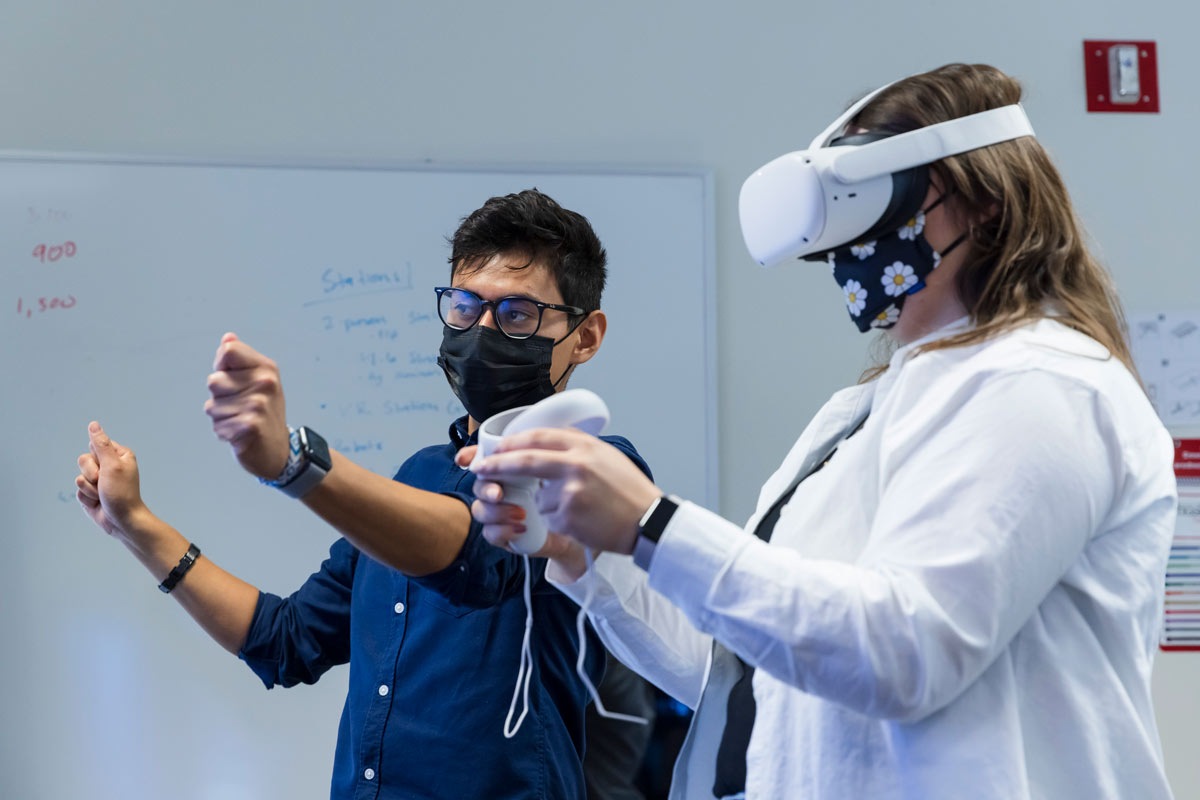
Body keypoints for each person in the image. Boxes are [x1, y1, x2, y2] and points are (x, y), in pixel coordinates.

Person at [467, 64, 1178, 799]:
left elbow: (907, 653)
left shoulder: (1040, 385)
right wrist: (587, 551)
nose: (855, 237)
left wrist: (653, 523)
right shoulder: (861, 415)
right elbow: (745, 673)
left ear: (985, 206)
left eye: (878, 202)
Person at [73, 189, 652, 799]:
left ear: (585, 337)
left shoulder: (602, 468)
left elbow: (478, 559)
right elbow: (287, 639)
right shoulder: (418, 476)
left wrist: (294, 463)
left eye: (515, 314)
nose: (481, 331)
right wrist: (136, 525)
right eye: (464, 306)